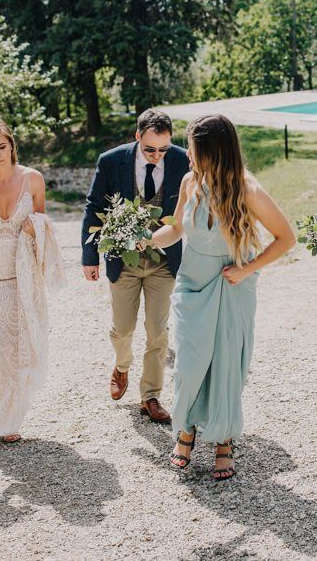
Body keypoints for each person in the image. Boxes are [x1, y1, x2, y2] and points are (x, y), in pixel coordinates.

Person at [148, 114, 294, 480]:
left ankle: (224, 438)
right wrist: (147, 239)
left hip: (232, 286)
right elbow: (177, 229)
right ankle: (186, 428)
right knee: (189, 364)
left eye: (195, 150)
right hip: (192, 284)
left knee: (227, 364)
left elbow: (286, 238)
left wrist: (248, 269)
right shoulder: (188, 182)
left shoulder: (247, 188)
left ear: (214, 151)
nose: (189, 157)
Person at [81, 109, 189, 423]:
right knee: (122, 328)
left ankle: (151, 396)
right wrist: (90, 258)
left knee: (158, 331)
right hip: (122, 260)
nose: (157, 156)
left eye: (164, 149)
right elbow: (94, 207)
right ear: (137, 136)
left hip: (165, 262)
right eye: (150, 148)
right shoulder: (111, 161)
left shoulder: (183, 161)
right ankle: (122, 365)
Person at [0, 118, 64, 442]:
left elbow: (43, 223)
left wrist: (35, 228)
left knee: (15, 352)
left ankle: (10, 417)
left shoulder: (33, 179)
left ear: (12, 145)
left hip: (19, 280)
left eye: (2, 147)